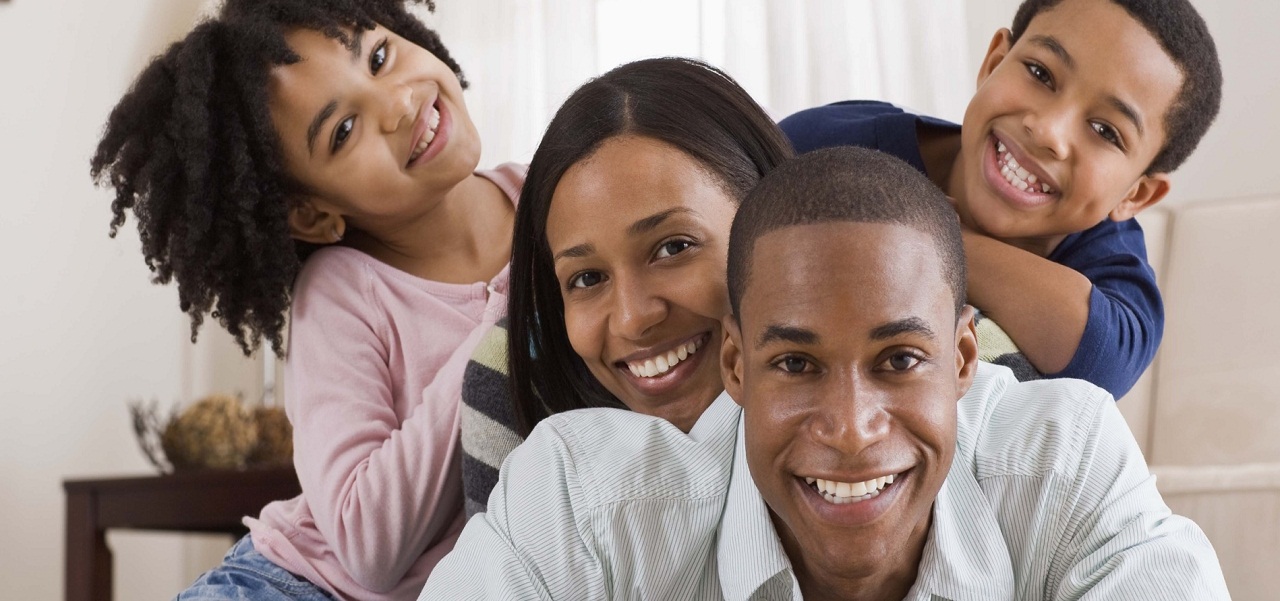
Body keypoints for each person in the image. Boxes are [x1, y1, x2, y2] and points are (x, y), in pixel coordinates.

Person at [420, 147, 1228, 600]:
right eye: (796, 363)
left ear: (962, 359)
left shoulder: (1064, 461)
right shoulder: (583, 503)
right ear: (736, 364)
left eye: (900, 359)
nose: (850, 428)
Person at [90, 1, 523, 599]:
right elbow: (368, 545)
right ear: (313, 216)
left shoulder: (559, 203)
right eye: (343, 131)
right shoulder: (341, 295)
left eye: (379, 56)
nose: (398, 104)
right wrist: (505, 317)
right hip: (293, 587)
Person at [778, 0, 1223, 398]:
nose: (1047, 131)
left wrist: (923, 233)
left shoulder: (1111, 268)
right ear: (994, 62)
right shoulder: (832, 144)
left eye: (1105, 131)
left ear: (1136, 194)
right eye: (1041, 74)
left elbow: (1101, 361)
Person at [458, 57, 793, 516]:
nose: (634, 320)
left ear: (773, 214)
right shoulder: (517, 376)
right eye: (587, 278)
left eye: (674, 248)